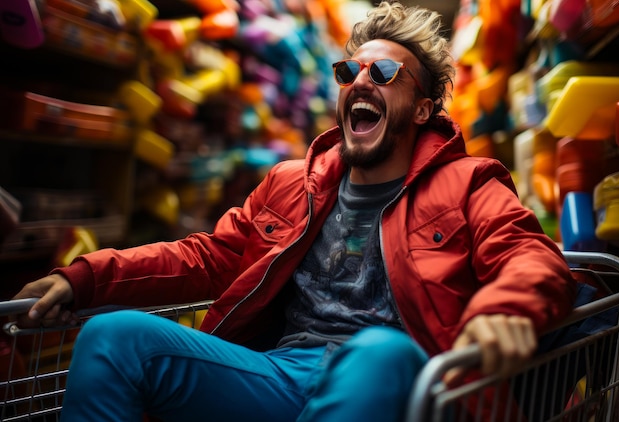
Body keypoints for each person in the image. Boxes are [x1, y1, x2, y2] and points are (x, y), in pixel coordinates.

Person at [13, 1, 577, 421]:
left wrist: (505, 310)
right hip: (280, 373)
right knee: (114, 338)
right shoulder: (291, 182)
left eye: (383, 74)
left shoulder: (469, 182)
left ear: (425, 107)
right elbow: (208, 256)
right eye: (349, 72)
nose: (360, 81)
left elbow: (530, 256)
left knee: (377, 353)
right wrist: (87, 276)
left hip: (404, 385)